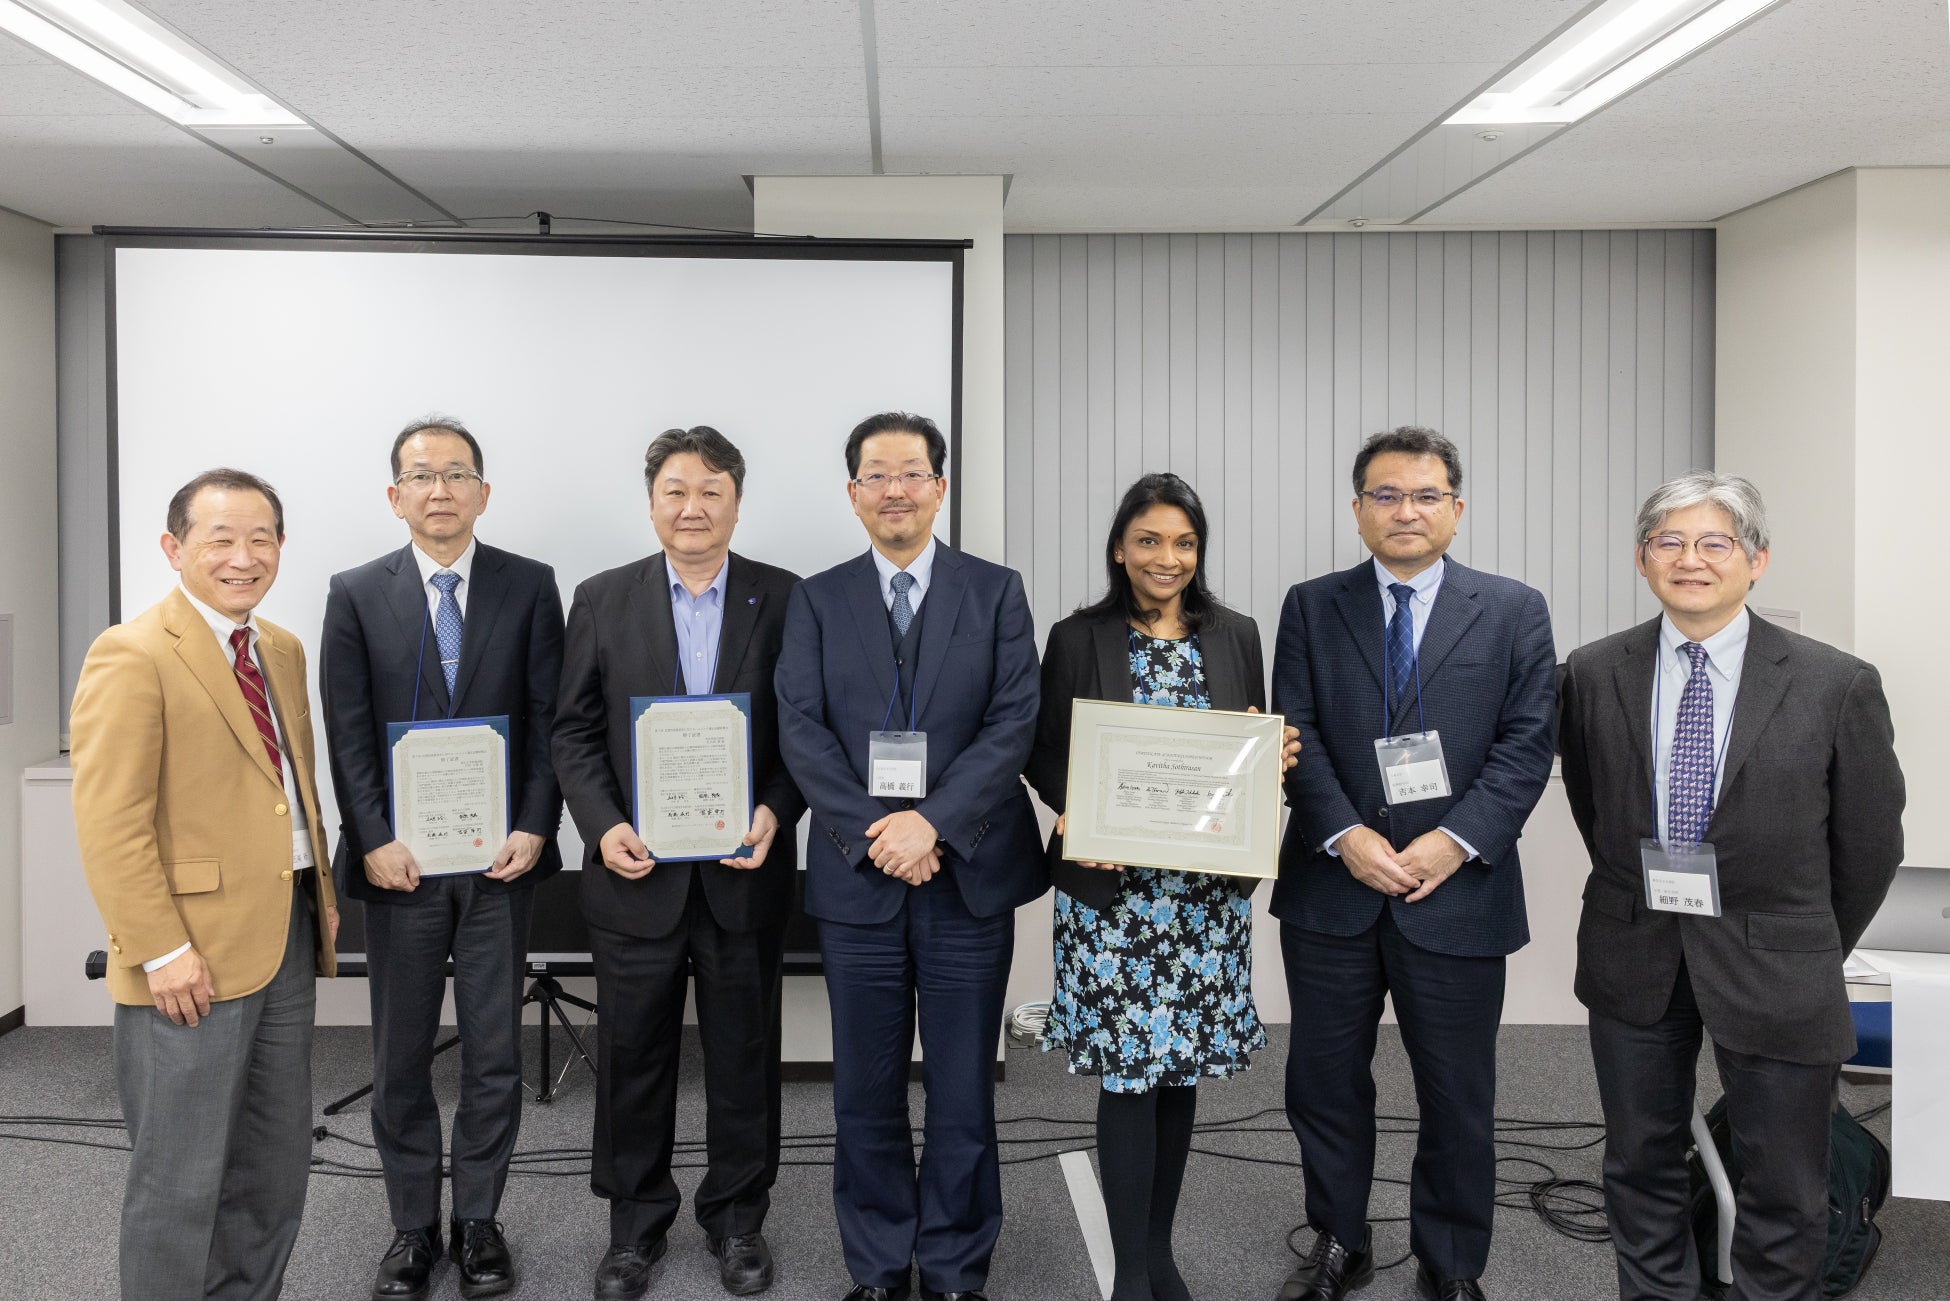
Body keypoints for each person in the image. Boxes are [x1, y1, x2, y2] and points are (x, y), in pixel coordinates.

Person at [1559, 472, 1904, 1301]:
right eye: (1670, 542)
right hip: (1635, 949)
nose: (1691, 559)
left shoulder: (1835, 682)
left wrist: (1808, 937)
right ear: (1642, 558)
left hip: (1779, 961)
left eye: (1715, 542)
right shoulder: (1593, 670)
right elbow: (1594, 806)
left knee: (1784, 1182)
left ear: (1757, 559)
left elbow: (1870, 845)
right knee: (1639, 1163)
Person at [1270, 427, 1556, 1301]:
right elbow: (1295, 732)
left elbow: (1527, 744)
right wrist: (1344, 835)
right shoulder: (1311, 606)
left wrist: (1452, 841)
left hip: (1458, 890)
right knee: (1323, 1080)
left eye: (1426, 495)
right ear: (1357, 509)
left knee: (1457, 1092)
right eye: (1386, 494)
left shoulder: (1513, 609)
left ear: (1456, 510)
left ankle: (1451, 1260)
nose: (1406, 510)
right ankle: (1339, 1240)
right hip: (1334, 887)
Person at [775, 411, 1044, 1301]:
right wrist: (878, 834)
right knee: (865, 1090)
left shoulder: (995, 591)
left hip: (968, 875)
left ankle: (957, 1266)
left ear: (940, 486)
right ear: (854, 493)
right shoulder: (817, 600)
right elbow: (801, 730)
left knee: (964, 1088)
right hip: (859, 881)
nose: (896, 489)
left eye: (912, 472)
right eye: (877, 475)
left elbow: (1013, 720)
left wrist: (931, 823)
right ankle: (880, 1265)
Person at [1025, 472, 1299, 1301]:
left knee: (1179, 1072)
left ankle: (1160, 1250)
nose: (1167, 557)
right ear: (1120, 547)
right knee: (1127, 1074)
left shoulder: (1237, 634)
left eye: (1184, 542)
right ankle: (1132, 1272)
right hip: (1113, 901)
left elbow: (1249, 747)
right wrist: (1076, 806)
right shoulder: (1078, 636)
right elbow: (1042, 749)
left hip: (1203, 901)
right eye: (1149, 540)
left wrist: (1273, 757)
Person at [70, 468, 339, 1301]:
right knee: (179, 1180)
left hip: (284, 935)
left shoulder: (280, 648)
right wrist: (161, 948)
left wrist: (320, 895)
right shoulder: (133, 652)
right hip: (187, 957)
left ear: (281, 547)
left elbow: (285, 790)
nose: (243, 556)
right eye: (220, 538)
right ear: (174, 547)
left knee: (274, 1168)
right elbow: (110, 822)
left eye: (261, 538)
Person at [553, 425, 806, 1300]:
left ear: (736, 500)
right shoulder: (601, 597)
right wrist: (602, 824)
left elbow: (804, 729)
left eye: (710, 490)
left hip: (745, 871)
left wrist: (775, 809)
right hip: (635, 873)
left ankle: (738, 1219)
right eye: (675, 490)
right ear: (652, 501)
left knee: (744, 1056)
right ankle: (634, 1228)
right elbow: (574, 730)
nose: (692, 507)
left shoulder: (786, 598)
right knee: (632, 1057)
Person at [319, 416, 565, 1300]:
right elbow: (347, 730)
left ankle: (480, 1220)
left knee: (495, 1053)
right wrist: (373, 836)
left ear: (483, 492)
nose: (440, 489)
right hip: (402, 868)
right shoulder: (355, 592)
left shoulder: (530, 585)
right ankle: (414, 1226)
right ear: (396, 496)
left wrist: (535, 823)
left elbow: (549, 720)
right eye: (421, 475)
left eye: (457, 473)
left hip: (501, 862)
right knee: (402, 1054)